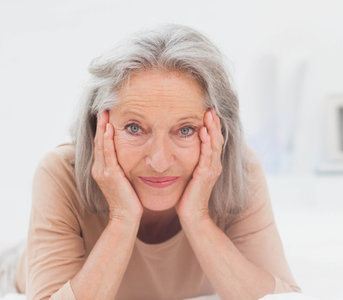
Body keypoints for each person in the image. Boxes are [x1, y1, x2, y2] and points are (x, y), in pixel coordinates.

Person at [14, 24, 300, 299]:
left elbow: (287, 299)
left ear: (218, 131)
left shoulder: (240, 169)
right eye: (135, 128)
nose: (160, 161)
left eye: (185, 130)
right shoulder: (61, 173)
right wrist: (122, 219)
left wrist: (197, 218)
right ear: (98, 126)